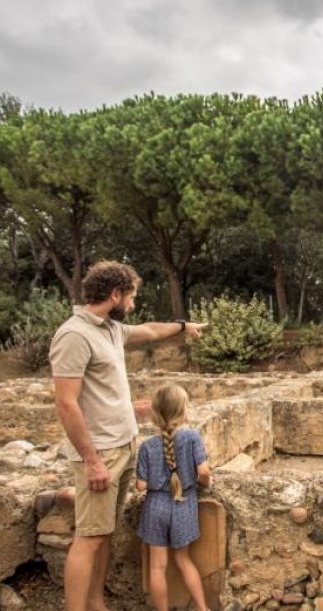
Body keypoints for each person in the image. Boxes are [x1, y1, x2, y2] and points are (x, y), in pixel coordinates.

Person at [50, 261, 207, 611]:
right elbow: (65, 403)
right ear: (115, 294)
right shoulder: (74, 334)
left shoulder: (109, 328)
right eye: (132, 298)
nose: (133, 306)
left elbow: (149, 331)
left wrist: (184, 326)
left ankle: (96, 602)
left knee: (103, 533)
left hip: (121, 446)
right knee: (88, 538)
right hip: (100, 452)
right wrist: (91, 461)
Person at [135, 384, 212, 611]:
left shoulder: (147, 446)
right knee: (184, 561)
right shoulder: (191, 437)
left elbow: (141, 486)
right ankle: (202, 608)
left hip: (155, 506)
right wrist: (204, 483)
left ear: (156, 413)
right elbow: (204, 472)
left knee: (157, 567)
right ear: (184, 409)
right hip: (184, 504)